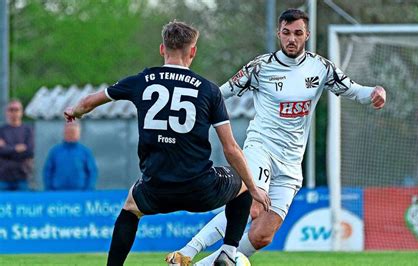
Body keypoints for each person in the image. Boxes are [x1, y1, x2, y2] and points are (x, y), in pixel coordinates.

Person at [174, 8, 387, 265]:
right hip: (261, 146)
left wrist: (375, 92)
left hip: (291, 162)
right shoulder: (260, 67)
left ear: (307, 35)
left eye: (298, 33)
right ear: (279, 33)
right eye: (286, 33)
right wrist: (192, 108)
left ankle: (204, 264)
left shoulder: (320, 68)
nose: (291, 39)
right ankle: (187, 251)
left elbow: (353, 89)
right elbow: (221, 93)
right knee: (252, 204)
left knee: (263, 235)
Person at [63, 20, 270, 266]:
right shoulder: (208, 90)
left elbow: (88, 102)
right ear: (192, 51)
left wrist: (75, 111)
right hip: (200, 188)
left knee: (130, 208)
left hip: (156, 187)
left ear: (162, 49)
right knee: (244, 186)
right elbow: (230, 148)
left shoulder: (142, 80)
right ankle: (228, 252)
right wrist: (254, 186)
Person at [43, 122, 98, 191]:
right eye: (68, 132)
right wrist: (49, 189)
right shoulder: (55, 152)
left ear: (78, 134)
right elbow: (47, 171)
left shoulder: (85, 152)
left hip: (80, 193)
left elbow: (92, 172)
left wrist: (88, 190)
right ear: (64, 133)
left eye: (73, 132)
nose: (71, 134)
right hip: (58, 193)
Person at [0, 99, 34, 191]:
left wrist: (7, 148)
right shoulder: (2, 131)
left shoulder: (28, 130)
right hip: (3, 178)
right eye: (11, 110)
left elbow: (29, 151)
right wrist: (16, 149)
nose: (14, 112)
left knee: (23, 205)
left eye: (17, 109)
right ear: (6, 112)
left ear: (21, 112)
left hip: (22, 177)